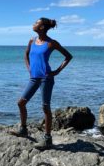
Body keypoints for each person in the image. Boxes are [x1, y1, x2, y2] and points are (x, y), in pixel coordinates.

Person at [11, 18, 73, 149]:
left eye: (36, 23)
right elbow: (26, 55)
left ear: (42, 27)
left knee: (45, 107)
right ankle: (23, 129)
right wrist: (29, 69)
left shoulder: (51, 43)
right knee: (21, 103)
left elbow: (68, 56)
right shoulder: (31, 41)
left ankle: (47, 139)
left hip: (46, 78)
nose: (33, 24)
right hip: (34, 78)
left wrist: (57, 71)